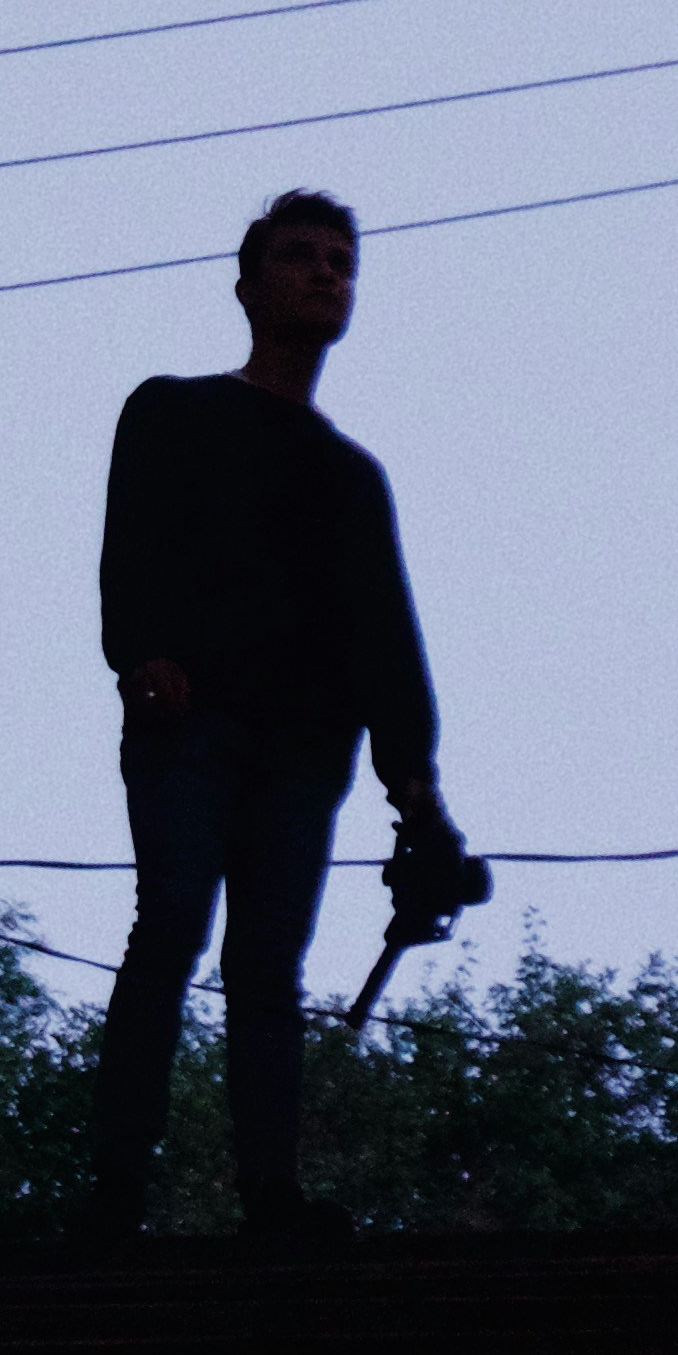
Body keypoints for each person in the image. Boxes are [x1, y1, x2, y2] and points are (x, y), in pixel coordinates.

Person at [88, 189, 467, 1240]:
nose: (321, 274)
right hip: (192, 720)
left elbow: (386, 638)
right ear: (246, 282)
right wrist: (142, 655)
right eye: (298, 256)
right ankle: (117, 1187)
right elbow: (131, 549)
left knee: (266, 964)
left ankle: (271, 1196)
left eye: (339, 262)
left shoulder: (350, 478)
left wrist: (416, 787)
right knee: (167, 925)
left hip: (307, 746)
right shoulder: (171, 409)